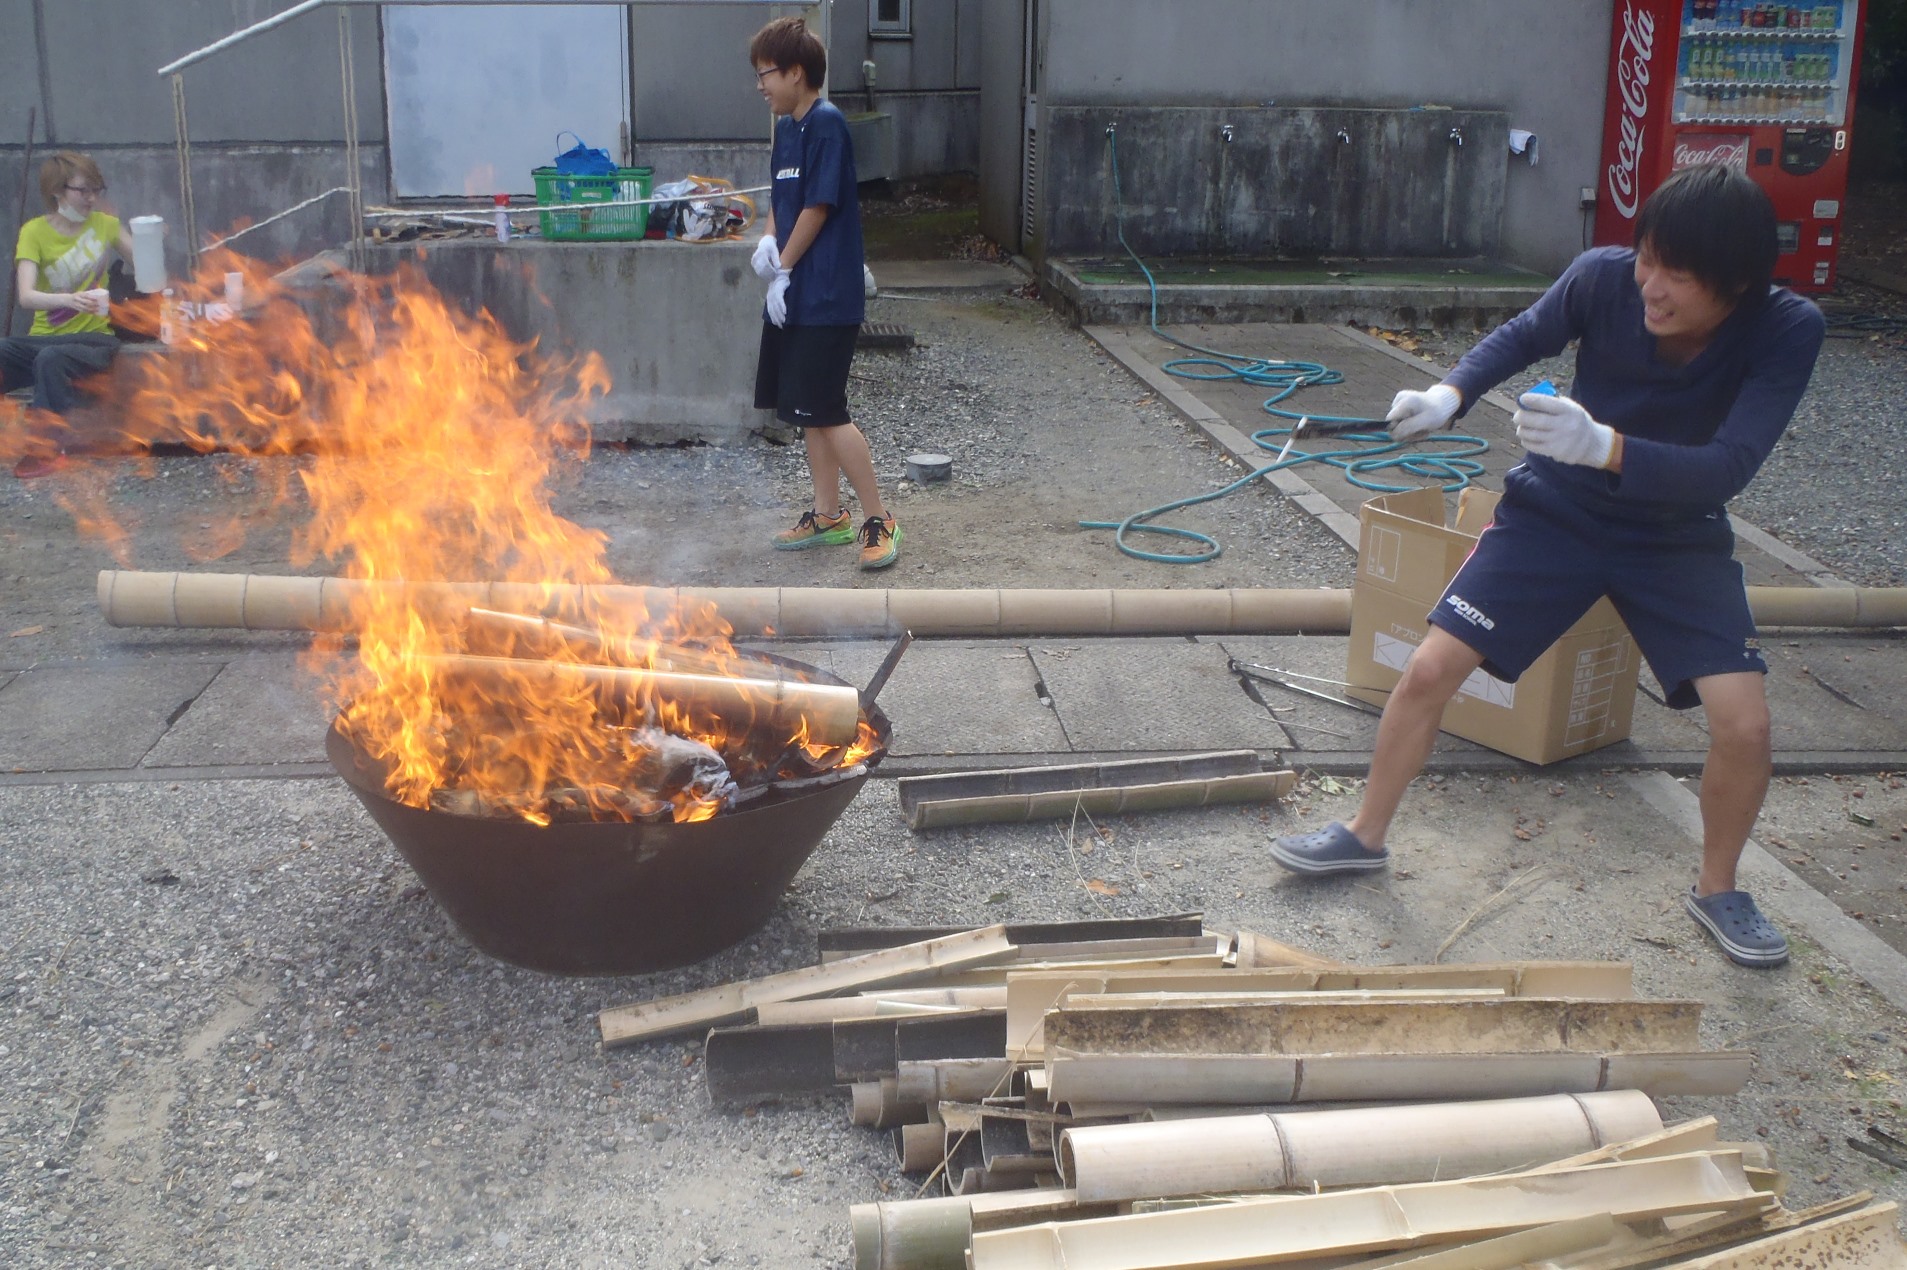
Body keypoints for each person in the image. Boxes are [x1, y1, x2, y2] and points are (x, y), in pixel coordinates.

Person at [1269, 164, 1825, 970]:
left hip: (1674, 533)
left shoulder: (1785, 327)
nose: (1651, 287)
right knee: (1429, 668)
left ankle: (1717, 890)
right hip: (1556, 515)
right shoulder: (1602, 278)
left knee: (1745, 722)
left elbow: (1730, 463)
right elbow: (1522, 335)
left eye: (1678, 273)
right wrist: (1449, 394)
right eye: (1647, 258)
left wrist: (1607, 446)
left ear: (1735, 283)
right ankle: (1361, 834)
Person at [748, 16, 901, 570]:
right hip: (796, 292)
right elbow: (783, 201)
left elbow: (818, 207)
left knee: (829, 410)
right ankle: (828, 514)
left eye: (765, 74)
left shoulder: (827, 124)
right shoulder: (786, 127)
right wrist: (769, 243)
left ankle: (880, 518)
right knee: (806, 409)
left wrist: (783, 269)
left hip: (828, 293)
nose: (760, 85)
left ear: (795, 72)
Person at [4, 151, 134, 479]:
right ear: (57, 192)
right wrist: (71, 299)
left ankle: (47, 449)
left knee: (51, 358)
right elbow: (27, 297)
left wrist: (148, 247)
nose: (92, 198)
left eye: (96, 189)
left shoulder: (106, 225)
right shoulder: (34, 232)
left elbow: (149, 268)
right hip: (43, 339)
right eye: (83, 190)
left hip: (94, 339)